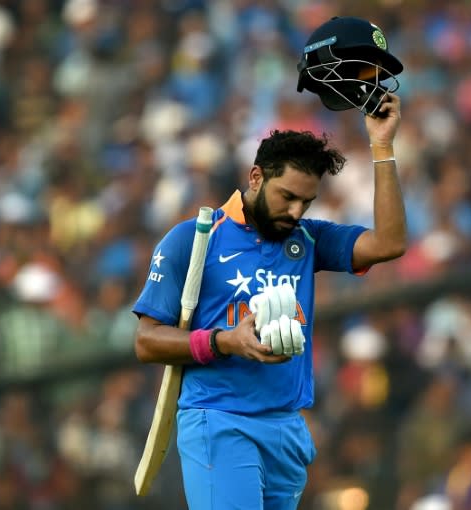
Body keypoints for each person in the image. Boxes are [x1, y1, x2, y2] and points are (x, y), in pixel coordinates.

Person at [132, 16, 407, 510]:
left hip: (287, 427)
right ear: (256, 177)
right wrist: (225, 342)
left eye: (307, 201)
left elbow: (389, 242)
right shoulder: (192, 240)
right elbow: (147, 340)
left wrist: (382, 146)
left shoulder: (307, 238)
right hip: (219, 419)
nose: (296, 211)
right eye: (287, 197)